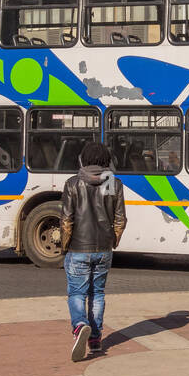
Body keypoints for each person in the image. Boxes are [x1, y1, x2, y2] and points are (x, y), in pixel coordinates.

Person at [60, 141, 127, 362]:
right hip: (104, 248)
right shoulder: (111, 183)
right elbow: (120, 219)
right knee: (97, 294)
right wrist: (113, 241)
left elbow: (67, 220)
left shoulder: (73, 183)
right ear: (106, 160)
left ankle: (80, 326)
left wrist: (65, 245)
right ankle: (96, 339)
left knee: (77, 293)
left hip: (78, 246)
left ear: (84, 159)